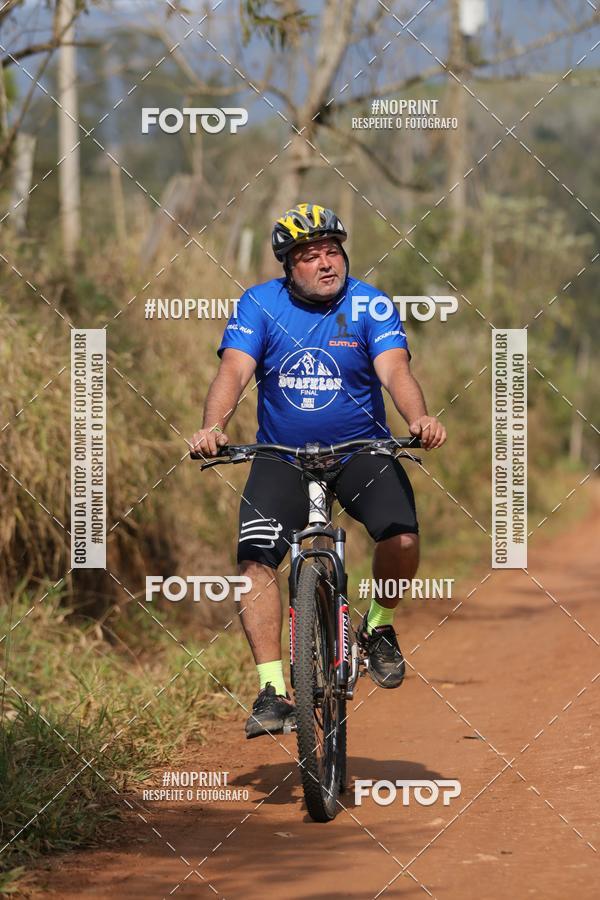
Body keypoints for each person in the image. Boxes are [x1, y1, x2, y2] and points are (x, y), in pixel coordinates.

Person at [189, 202, 446, 739]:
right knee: (256, 563)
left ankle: (377, 628)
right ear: (289, 266)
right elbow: (234, 372)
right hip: (282, 455)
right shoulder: (260, 304)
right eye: (311, 256)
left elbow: (395, 369)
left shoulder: (369, 305)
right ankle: (272, 689)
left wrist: (417, 417)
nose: (327, 263)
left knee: (400, 537)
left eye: (333, 252)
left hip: (360, 449)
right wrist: (213, 427)